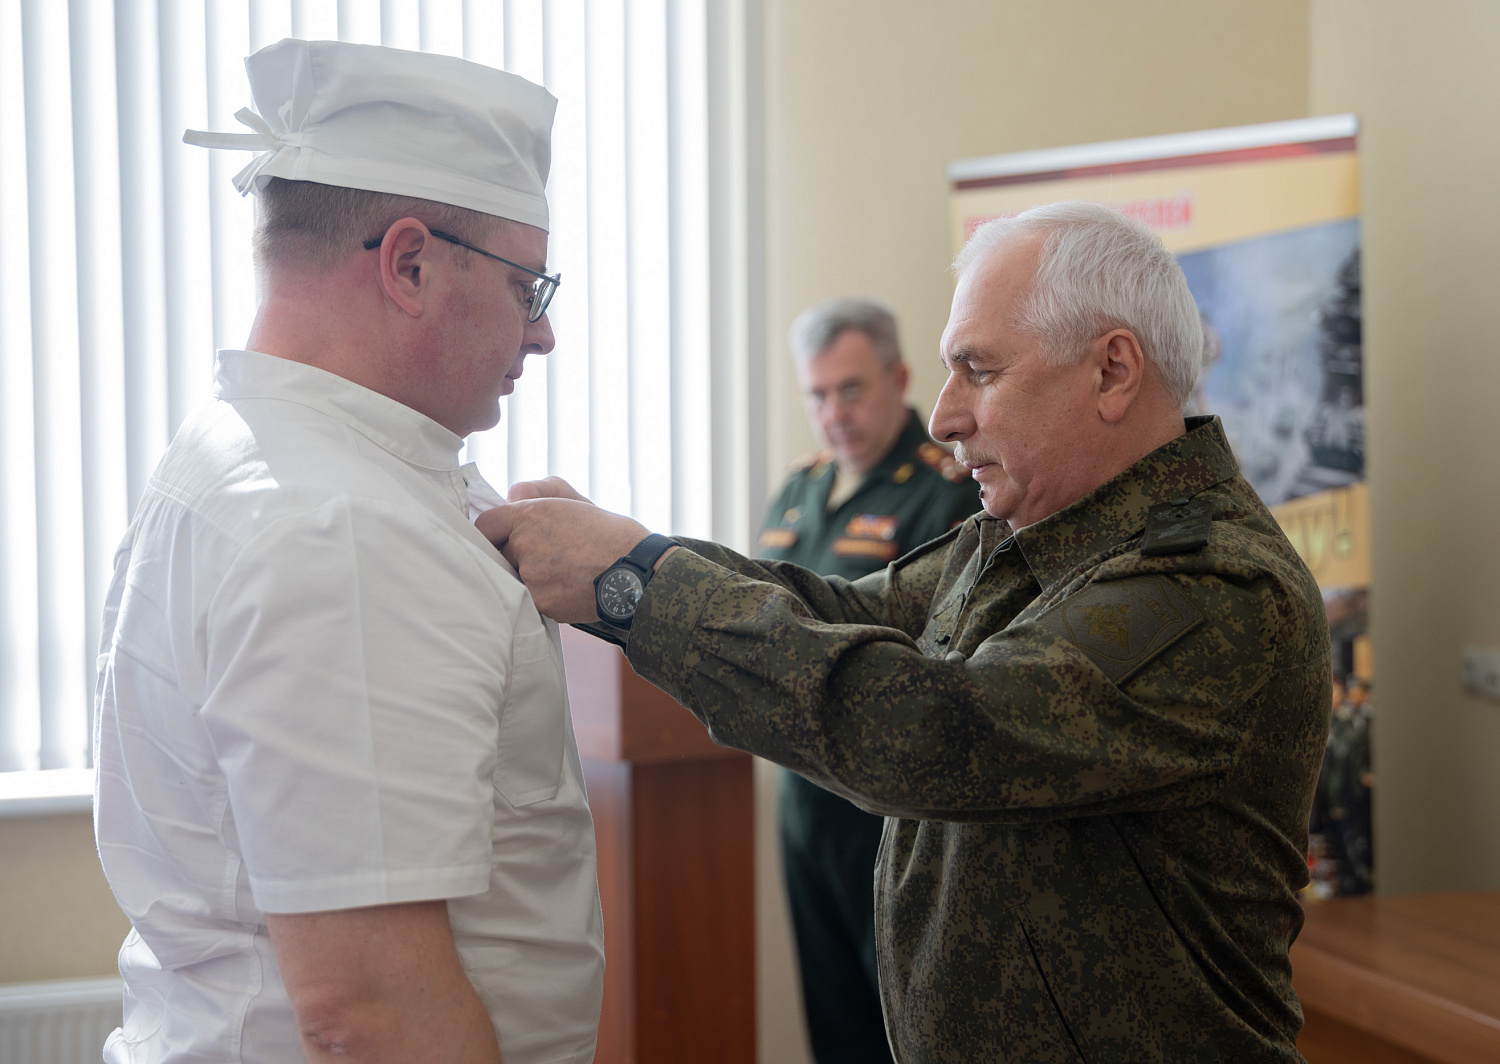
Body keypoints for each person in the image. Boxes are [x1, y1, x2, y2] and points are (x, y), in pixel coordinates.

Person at [480, 200, 1331, 1063]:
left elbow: (932, 733)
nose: (944, 416)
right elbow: (840, 609)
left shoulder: (1215, 587)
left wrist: (636, 590)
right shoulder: (1034, 539)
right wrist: (636, 555)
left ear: (1112, 371)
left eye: (979, 369)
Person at [93, 40, 601, 1064]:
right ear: (410, 262)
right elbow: (371, 1014)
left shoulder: (256, 449)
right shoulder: (346, 523)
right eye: (527, 287)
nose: (541, 336)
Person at [760, 298, 977, 1064]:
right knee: (832, 1017)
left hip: (889, 807)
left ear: (900, 377)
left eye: (850, 390)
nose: (833, 413)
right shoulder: (797, 492)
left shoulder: (948, 489)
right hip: (804, 798)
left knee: (902, 1023)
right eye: (817, 395)